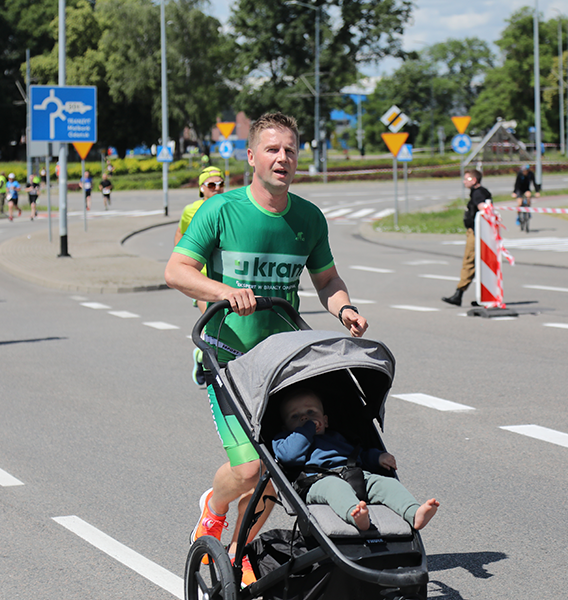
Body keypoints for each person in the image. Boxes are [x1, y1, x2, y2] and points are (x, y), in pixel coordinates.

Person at [165, 112, 368, 584]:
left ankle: (239, 551)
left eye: (291, 150)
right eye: (272, 149)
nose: (283, 158)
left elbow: (327, 279)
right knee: (252, 468)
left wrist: (345, 309)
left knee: (285, 467)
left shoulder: (308, 218)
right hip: (227, 357)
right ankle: (212, 511)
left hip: (281, 362)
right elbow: (177, 270)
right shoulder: (221, 210)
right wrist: (222, 292)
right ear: (251, 156)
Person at [272, 388, 440, 531]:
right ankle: (356, 515)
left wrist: (377, 457)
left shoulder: (337, 437)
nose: (304, 418)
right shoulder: (284, 440)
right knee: (336, 487)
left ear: (325, 421)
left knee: (386, 484)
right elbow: (290, 456)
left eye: (311, 412)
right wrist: (307, 429)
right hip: (317, 481)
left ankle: (414, 513)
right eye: (295, 416)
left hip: (354, 474)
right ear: (285, 427)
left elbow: (358, 455)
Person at [173, 165, 224, 386]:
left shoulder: (229, 206)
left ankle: (204, 355)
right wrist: (182, 265)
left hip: (223, 277)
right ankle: (207, 360)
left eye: (221, 184)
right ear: (202, 188)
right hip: (200, 277)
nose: (217, 188)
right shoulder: (190, 211)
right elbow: (180, 233)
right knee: (212, 318)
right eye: (211, 185)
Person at [442, 169, 492, 307]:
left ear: (474, 180)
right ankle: (484, 297)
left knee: (469, 262)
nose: (464, 182)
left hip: (476, 233)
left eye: (466, 179)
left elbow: (484, 208)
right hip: (482, 233)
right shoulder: (483, 191)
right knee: (482, 265)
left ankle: (459, 294)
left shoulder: (477, 193)